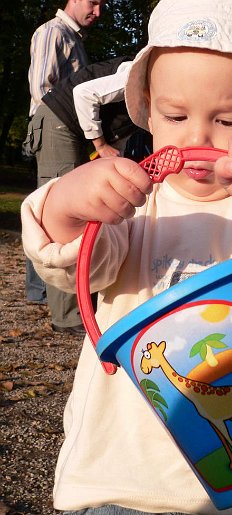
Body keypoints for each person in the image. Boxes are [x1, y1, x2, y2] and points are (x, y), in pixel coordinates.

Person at [21, 0, 232, 515]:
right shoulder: (131, 204)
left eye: (228, 121)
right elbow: (76, 264)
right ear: (147, 111)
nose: (196, 140)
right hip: (113, 488)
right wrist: (66, 206)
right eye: (175, 116)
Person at [25, 0, 105, 335]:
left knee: (48, 205)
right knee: (63, 213)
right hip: (57, 122)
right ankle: (68, 315)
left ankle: (41, 292)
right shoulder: (53, 32)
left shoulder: (73, 38)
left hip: (63, 125)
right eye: (93, 2)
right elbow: (42, 88)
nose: (98, 12)